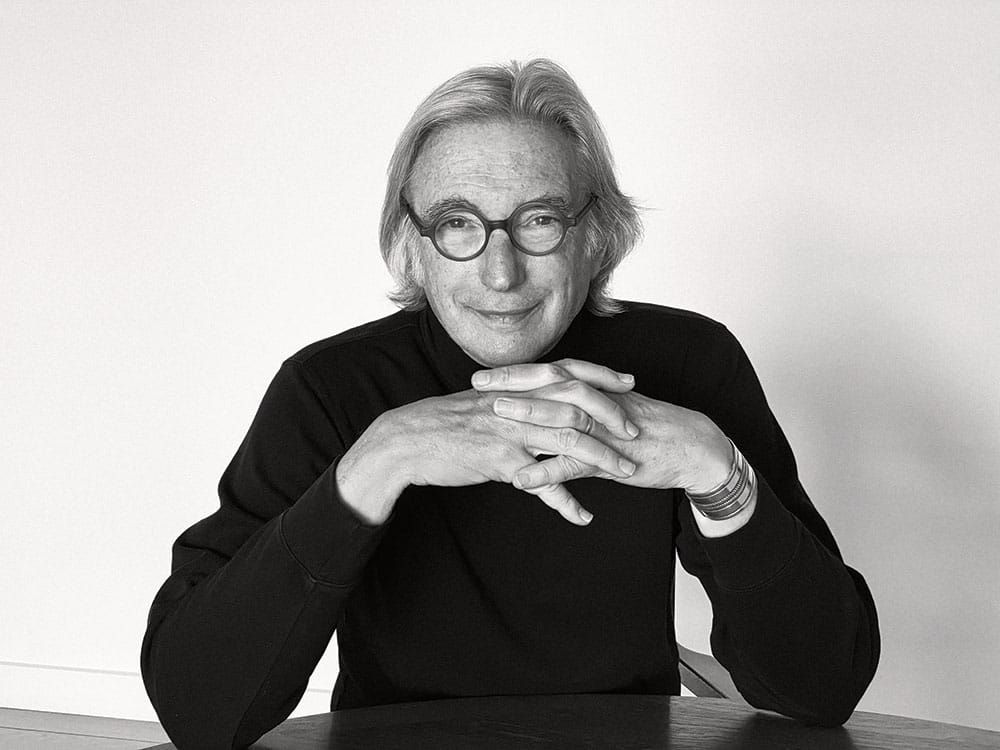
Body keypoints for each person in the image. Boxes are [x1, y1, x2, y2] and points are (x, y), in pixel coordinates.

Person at [141, 59, 879, 749]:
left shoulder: (689, 365)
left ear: (594, 236)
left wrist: (720, 475)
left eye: (538, 221)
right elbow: (200, 708)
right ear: (412, 244)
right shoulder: (331, 388)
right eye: (459, 222)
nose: (500, 274)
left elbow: (821, 687)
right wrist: (377, 462)